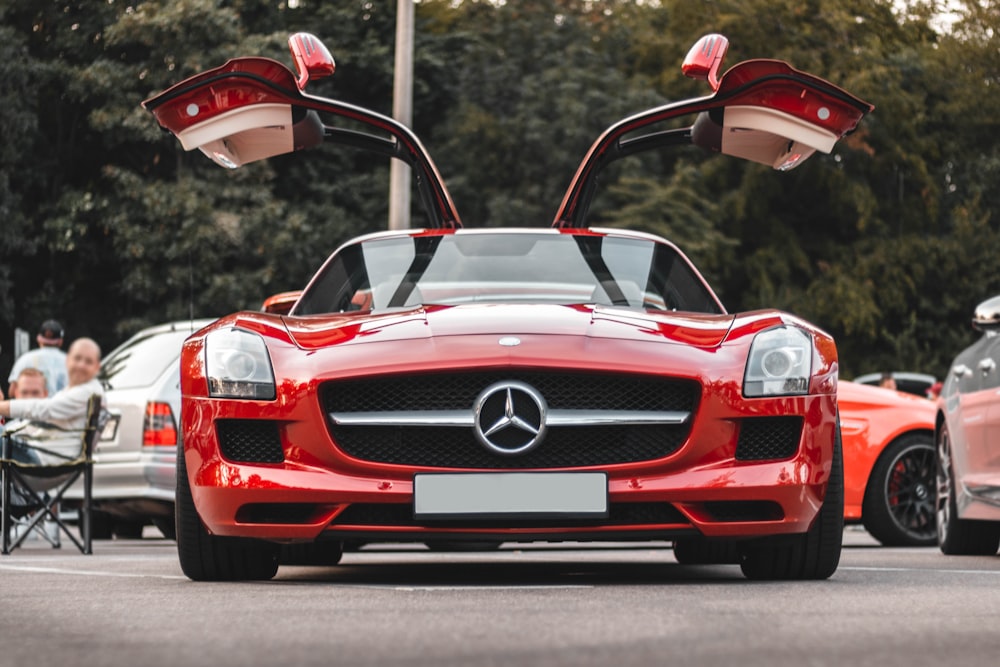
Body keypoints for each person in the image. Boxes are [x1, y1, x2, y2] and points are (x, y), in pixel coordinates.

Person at [0, 337, 103, 467]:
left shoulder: (87, 391)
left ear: (97, 367)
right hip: (44, 454)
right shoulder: (80, 391)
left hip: (43, 460)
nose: (81, 365)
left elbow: (44, 409)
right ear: (68, 360)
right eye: (77, 358)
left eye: (88, 361)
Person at [7, 319, 69, 398]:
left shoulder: (25, 359)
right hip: (63, 409)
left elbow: (12, 391)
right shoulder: (71, 361)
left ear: (39, 339)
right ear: (60, 341)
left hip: (32, 408)